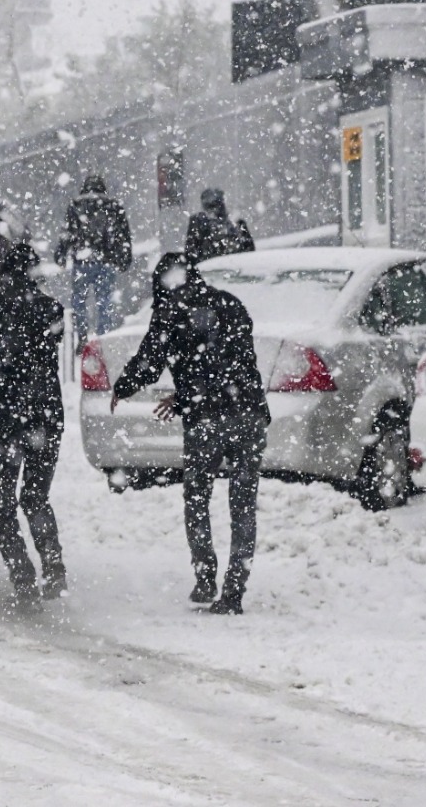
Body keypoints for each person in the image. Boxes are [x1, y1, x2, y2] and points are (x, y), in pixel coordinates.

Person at [109, 254, 269, 615]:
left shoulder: (170, 312)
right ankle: (234, 590)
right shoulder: (230, 304)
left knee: (197, 497)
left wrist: (124, 385)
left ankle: (205, 576)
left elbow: (151, 361)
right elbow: (233, 365)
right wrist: (186, 396)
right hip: (249, 414)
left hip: (207, 419)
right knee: (243, 505)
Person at [0, 237, 67, 605]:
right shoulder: (51, 309)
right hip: (44, 414)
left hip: (3, 417)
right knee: (36, 496)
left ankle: (22, 575)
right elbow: (52, 345)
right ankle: (54, 564)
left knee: (0, 503)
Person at [57, 174, 132, 343]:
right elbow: (123, 236)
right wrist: (124, 258)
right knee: (104, 301)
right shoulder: (113, 206)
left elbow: (67, 233)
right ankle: (103, 339)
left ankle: (82, 336)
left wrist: (62, 254)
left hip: (81, 261)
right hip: (106, 260)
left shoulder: (76, 205)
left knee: (79, 301)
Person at [185, 188, 256, 264]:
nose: (211, 210)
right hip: (225, 266)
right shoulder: (199, 222)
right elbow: (249, 252)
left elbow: (191, 252)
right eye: (209, 206)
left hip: (216, 266)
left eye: (213, 205)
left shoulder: (236, 222)